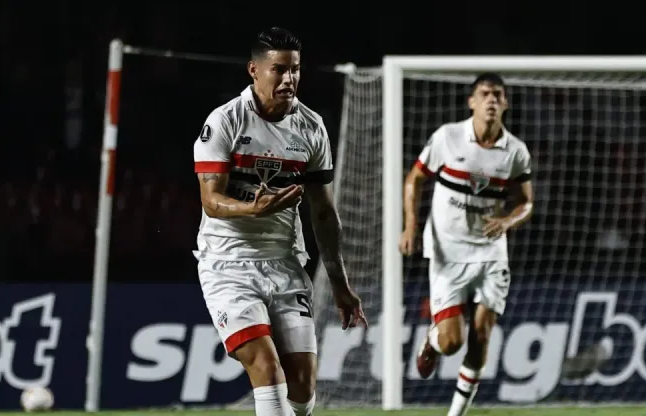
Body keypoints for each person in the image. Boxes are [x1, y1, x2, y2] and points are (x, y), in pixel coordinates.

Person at [193, 27, 367, 416]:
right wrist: (252, 210)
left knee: (303, 387)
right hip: (228, 265)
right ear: (254, 70)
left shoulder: (310, 127)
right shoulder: (225, 122)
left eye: (295, 70)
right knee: (267, 370)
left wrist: (340, 285)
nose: (289, 79)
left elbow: (323, 212)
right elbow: (210, 200)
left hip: (285, 263)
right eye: (279, 70)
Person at [399, 72, 533, 416]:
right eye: (484, 94)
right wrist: (410, 226)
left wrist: (507, 220)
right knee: (451, 342)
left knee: (482, 334)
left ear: (505, 104)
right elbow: (414, 179)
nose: (491, 100)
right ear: (471, 101)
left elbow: (526, 202)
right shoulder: (448, 137)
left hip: (491, 252)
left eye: (497, 95)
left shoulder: (515, 151)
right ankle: (431, 340)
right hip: (448, 250)